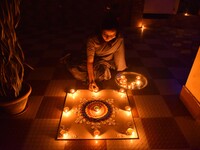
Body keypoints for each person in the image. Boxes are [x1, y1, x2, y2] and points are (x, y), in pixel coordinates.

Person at [60, 14, 127, 92]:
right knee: (75, 70)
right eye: (105, 35)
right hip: (93, 60)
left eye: (112, 35)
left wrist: (121, 75)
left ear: (116, 34)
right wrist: (92, 81)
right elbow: (90, 61)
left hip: (106, 62)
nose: (108, 38)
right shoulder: (92, 39)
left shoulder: (119, 39)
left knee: (102, 73)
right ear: (100, 31)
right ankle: (68, 57)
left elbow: (120, 58)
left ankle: (99, 73)